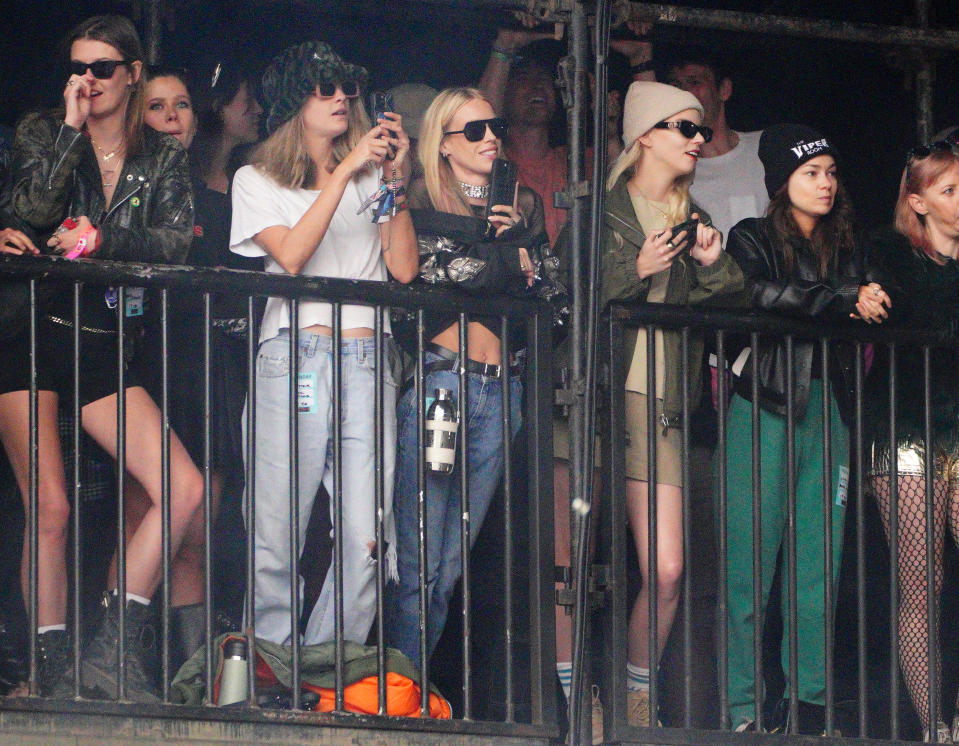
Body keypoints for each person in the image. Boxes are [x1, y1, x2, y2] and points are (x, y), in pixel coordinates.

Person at [4, 14, 201, 700]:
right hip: (25, 329)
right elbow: (30, 211)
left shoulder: (162, 156)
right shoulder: (42, 131)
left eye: (103, 69)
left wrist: (100, 240)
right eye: (78, 67)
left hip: (97, 337)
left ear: (133, 73)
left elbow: (175, 243)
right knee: (49, 507)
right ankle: (48, 674)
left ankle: (109, 652)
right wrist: (67, 128)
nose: (88, 80)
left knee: (183, 487)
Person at [553, 81, 743, 734]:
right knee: (568, 566)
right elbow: (561, 300)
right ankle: (577, 705)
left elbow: (730, 308)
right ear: (645, 136)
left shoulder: (694, 219)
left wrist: (716, 266)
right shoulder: (598, 212)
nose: (698, 140)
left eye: (698, 129)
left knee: (665, 570)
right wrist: (631, 268)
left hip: (662, 401)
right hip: (589, 398)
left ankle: (634, 697)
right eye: (684, 129)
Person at [230, 40, 418, 647]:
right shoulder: (253, 177)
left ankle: (321, 671)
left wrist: (396, 184)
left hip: (367, 355)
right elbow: (291, 255)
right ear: (294, 101)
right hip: (297, 356)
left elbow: (405, 268)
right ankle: (269, 671)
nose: (341, 98)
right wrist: (343, 172)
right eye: (324, 88)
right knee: (278, 529)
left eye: (347, 88)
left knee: (370, 540)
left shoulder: (367, 178)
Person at [721, 124, 890, 734]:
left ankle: (809, 709)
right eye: (810, 173)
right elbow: (755, 294)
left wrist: (856, 296)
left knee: (819, 564)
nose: (825, 183)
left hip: (831, 410)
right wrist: (841, 299)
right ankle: (742, 708)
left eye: (831, 172)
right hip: (766, 401)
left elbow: (872, 304)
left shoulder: (849, 246)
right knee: (750, 563)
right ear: (780, 182)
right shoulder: (753, 236)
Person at [385, 87, 544, 663]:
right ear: (443, 145)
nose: (491, 138)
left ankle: (412, 687)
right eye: (473, 131)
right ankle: (397, 697)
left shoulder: (519, 206)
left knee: (450, 567)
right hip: (444, 388)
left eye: (494, 126)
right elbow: (445, 272)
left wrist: (514, 245)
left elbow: (551, 293)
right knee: (419, 562)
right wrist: (507, 261)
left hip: (504, 390)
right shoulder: (418, 200)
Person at [865, 130, 959, 744]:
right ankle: (937, 730)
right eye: (951, 188)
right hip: (903, 427)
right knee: (922, 585)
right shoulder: (889, 253)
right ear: (919, 201)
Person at [665, 46, 768, 240]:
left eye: (694, 82)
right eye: (676, 85)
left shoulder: (763, 147)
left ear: (724, 90)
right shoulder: (675, 167)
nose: (684, 93)